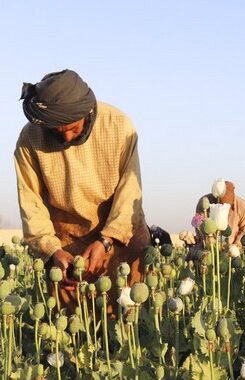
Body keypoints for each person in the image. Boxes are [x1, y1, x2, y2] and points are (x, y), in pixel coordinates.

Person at [14, 69, 150, 312]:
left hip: (120, 239)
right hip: (66, 249)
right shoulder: (30, 139)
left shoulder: (118, 125)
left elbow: (130, 192)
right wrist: (52, 250)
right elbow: (31, 203)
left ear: (87, 112)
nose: (65, 136)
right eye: (56, 130)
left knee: (127, 324)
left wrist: (106, 241)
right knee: (73, 332)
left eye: (72, 128)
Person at [194, 180, 245, 246]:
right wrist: (209, 239)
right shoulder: (204, 202)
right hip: (209, 245)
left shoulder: (242, 206)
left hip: (232, 246)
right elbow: (199, 224)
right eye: (221, 204)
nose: (223, 207)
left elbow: (244, 230)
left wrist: (235, 245)